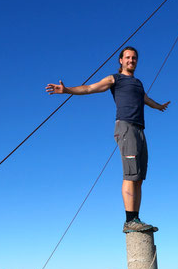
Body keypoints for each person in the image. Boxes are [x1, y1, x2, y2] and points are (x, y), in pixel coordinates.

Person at [46, 46, 169, 233]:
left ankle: (136, 217)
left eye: (134, 58)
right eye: (127, 57)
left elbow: (145, 99)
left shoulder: (138, 83)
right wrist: (67, 90)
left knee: (138, 177)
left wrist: (158, 106)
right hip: (125, 127)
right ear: (121, 60)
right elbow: (90, 88)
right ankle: (129, 220)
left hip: (140, 130)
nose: (131, 60)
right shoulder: (115, 78)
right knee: (130, 175)